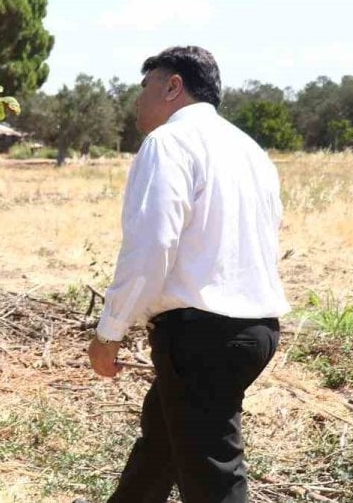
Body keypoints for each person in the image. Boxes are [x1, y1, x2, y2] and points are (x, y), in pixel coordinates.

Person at [85, 46, 290, 503]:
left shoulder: (169, 142)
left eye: (146, 87)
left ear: (173, 86)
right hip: (255, 330)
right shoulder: (250, 150)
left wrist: (110, 332)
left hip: (202, 337)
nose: (138, 99)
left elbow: (152, 245)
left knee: (213, 478)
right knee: (162, 447)